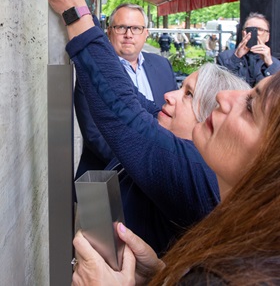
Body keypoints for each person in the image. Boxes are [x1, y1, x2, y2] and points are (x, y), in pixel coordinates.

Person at [40, 0, 249, 255]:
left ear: (212, 119)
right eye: (121, 28)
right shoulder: (184, 143)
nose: (169, 96)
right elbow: (130, 101)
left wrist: (75, 12)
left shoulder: (198, 171)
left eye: (187, 94)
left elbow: (125, 114)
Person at [72, 72, 280, 285]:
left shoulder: (231, 275)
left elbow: (126, 113)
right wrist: (160, 275)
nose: (223, 97)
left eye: (250, 106)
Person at [74, 3, 177, 177]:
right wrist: (145, 168)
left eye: (136, 28)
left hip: (163, 174)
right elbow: (95, 136)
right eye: (121, 27)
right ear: (109, 31)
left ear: (146, 34)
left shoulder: (163, 66)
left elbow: (174, 119)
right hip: (112, 177)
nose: (128, 35)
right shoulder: (94, 70)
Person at [217, 12, 280, 86]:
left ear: (267, 37)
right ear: (243, 33)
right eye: (251, 29)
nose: (256, 33)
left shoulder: (275, 63)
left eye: (260, 29)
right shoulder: (225, 57)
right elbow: (222, 84)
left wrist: (269, 64)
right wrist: (236, 58)